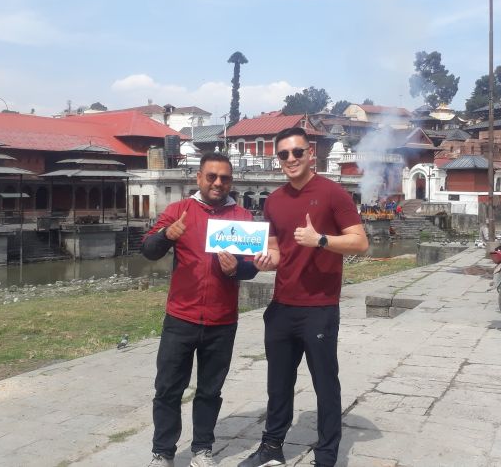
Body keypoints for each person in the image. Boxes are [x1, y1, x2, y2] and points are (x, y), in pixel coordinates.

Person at [239, 127, 368, 467]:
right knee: (278, 383)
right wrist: (265, 262)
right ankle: (271, 447)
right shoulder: (275, 201)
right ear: (277, 159)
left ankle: (326, 454)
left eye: (297, 152)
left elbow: (360, 243)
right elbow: (275, 252)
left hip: (319, 306)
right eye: (283, 154)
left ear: (311, 153)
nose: (291, 159)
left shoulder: (332, 193)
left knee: (325, 384)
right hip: (282, 305)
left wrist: (322, 240)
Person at [141, 152, 259, 467]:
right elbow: (148, 250)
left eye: (225, 178)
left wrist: (237, 269)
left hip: (222, 320)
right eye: (212, 176)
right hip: (181, 317)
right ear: (199, 178)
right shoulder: (179, 211)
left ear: (231, 181)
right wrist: (167, 235)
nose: (218, 183)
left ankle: (202, 450)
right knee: (167, 388)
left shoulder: (243, 219)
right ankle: (162, 452)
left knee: (210, 390)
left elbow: (251, 269)